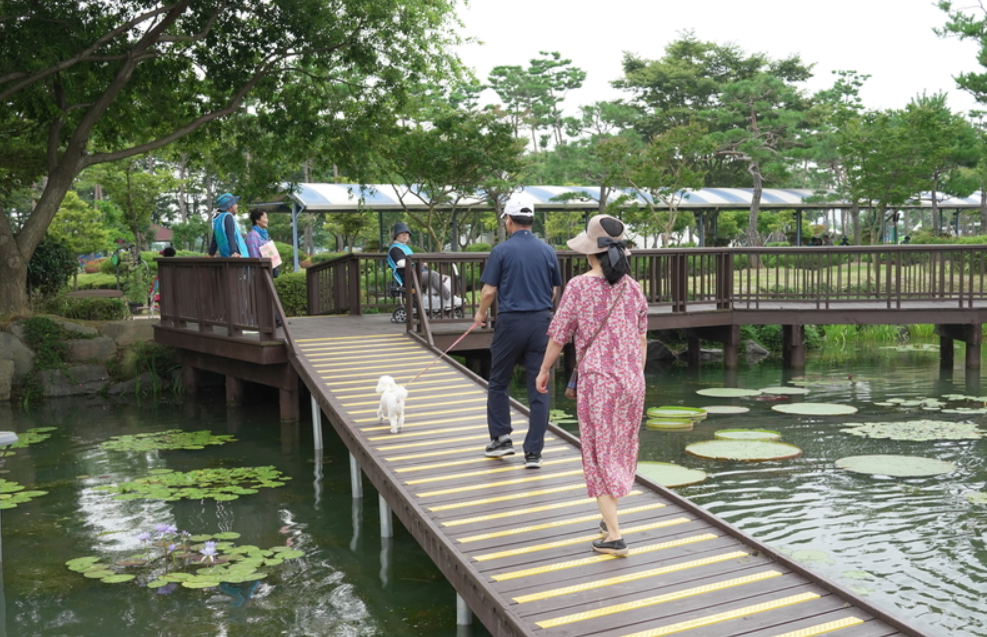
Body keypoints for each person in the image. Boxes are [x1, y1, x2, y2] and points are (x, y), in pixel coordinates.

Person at [535, 214, 648, 557]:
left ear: (590, 252)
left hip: (599, 383)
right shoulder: (634, 288)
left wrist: (543, 371)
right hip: (632, 381)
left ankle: (614, 535)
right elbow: (642, 338)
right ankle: (608, 518)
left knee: (598, 453)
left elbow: (558, 336)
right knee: (621, 448)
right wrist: (635, 374)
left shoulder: (580, 287)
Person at [474, 199, 562, 468]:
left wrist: (480, 314)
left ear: (509, 220)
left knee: (499, 381)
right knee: (540, 385)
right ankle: (533, 453)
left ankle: (501, 439)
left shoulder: (501, 250)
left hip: (511, 322)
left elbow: (489, 291)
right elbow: (554, 291)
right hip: (541, 322)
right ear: (531, 221)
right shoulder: (548, 251)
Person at [386, 222, 458, 304]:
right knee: (433, 275)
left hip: (415, 275)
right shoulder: (395, 249)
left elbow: (411, 261)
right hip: (409, 278)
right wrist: (418, 262)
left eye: (407, 233)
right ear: (396, 235)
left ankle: (439, 302)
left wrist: (420, 263)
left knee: (441, 277)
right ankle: (449, 298)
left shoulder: (404, 247)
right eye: (401, 233)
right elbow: (400, 263)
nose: (405, 235)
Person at [208, 192, 247, 257]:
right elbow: (230, 234)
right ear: (230, 206)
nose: (237, 206)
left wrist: (211, 253)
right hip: (237, 257)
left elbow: (215, 238)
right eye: (235, 204)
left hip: (226, 257)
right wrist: (233, 252)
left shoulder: (216, 219)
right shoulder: (228, 216)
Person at [245, 210, 280, 278]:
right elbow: (254, 258)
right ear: (257, 220)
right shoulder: (252, 235)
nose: (267, 220)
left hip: (266, 272)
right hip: (257, 275)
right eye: (265, 218)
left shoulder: (264, 236)